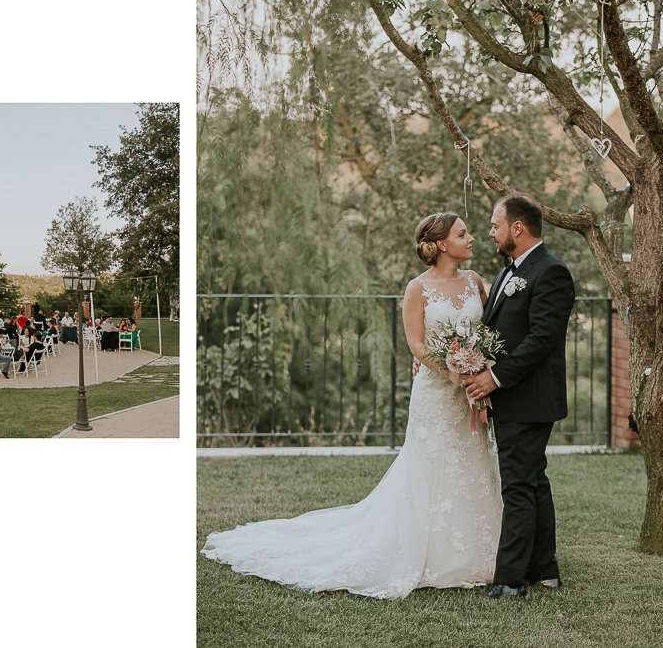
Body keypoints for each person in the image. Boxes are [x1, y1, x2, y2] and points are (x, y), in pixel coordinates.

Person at [202, 211, 504, 599]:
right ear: (442, 244)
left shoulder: (475, 282)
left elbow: (489, 331)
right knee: (429, 465)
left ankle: (483, 550)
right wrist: (450, 373)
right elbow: (415, 344)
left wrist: (479, 365)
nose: (473, 238)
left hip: (471, 392)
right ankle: (429, 553)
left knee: (474, 458)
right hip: (436, 391)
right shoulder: (418, 289)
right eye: (464, 234)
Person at [460, 194, 575, 599]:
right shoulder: (511, 271)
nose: (490, 233)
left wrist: (494, 378)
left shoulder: (551, 272)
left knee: (517, 486)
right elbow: (502, 330)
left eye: (495, 226)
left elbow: (542, 339)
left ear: (518, 228)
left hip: (529, 399)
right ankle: (545, 568)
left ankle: (509, 580)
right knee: (532, 480)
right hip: (515, 398)